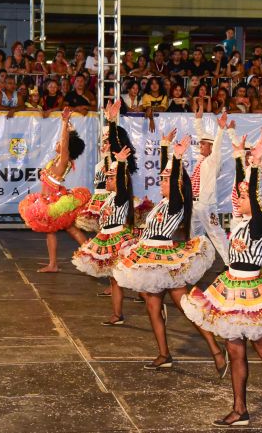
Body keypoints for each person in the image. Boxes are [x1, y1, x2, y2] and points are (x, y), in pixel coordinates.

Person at [182, 131, 262, 427]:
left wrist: (253, 164)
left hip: (253, 292)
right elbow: (244, 190)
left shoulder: (260, 223)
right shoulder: (241, 221)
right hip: (231, 287)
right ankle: (240, 409)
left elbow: (249, 191)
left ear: (256, 199)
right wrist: (240, 157)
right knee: (234, 349)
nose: (237, 198)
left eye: (242, 195)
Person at [112, 131, 224, 373]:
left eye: (165, 180)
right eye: (161, 179)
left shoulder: (176, 204)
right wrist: (162, 149)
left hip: (165, 260)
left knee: (186, 308)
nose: (161, 182)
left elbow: (174, 181)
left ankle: (216, 350)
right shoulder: (162, 203)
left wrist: (177, 158)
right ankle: (164, 354)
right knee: (152, 309)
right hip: (148, 256)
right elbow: (167, 176)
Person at [73, 103, 139, 325]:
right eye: (107, 177)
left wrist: (112, 123)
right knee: (114, 279)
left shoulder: (120, 191)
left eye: (111, 177)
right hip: (107, 235)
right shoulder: (110, 195)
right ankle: (118, 314)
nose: (107, 179)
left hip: (119, 238)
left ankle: (148, 295)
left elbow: (119, 174)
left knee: (126, 276)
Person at [18, 107, 91, 273]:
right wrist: (69, 127)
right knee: (63, 230)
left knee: (67, 230)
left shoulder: (63, 161)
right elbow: (68, 140)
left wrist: (64, 123)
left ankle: (91, 256)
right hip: (49, 201)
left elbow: (65, 143)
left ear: (67, 149)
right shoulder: (58, 159)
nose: (57, 144)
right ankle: (57, 263)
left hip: (53, 204)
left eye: (61, 143)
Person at [189, 105, 230, 264]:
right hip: (195, 203)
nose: (200, 146)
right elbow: (203, 136)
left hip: (206, 205)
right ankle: (194, 263)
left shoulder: (213, 160)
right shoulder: (202, 158)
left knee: (216, 234)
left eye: (203, 145)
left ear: (211, 147)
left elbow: (216, 146)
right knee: (194, 234)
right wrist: (198, 120)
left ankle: (230, 263)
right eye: (200, 144)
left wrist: (221, 130)